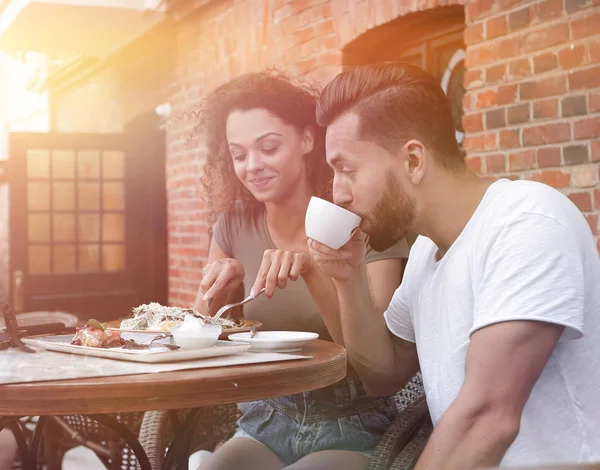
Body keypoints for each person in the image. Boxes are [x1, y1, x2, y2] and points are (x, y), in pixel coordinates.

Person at [304, 61, 600, 469]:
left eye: (347, 170)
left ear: (412, 161)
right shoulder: (427, 251)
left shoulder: (526, 224)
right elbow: (383, 376)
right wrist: (348, 276)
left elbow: (488, 419)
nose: (338, 194)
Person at [192, 71, 411, 470]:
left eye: (269, 147)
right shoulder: (233, 224)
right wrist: (216, 291)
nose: (252, 166)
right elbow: (197, 340)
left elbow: (374, 362)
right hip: (266, 419)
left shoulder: (362, 220)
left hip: (353, 421)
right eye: (239, 155)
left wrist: (313, 269)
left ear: (308, 141)